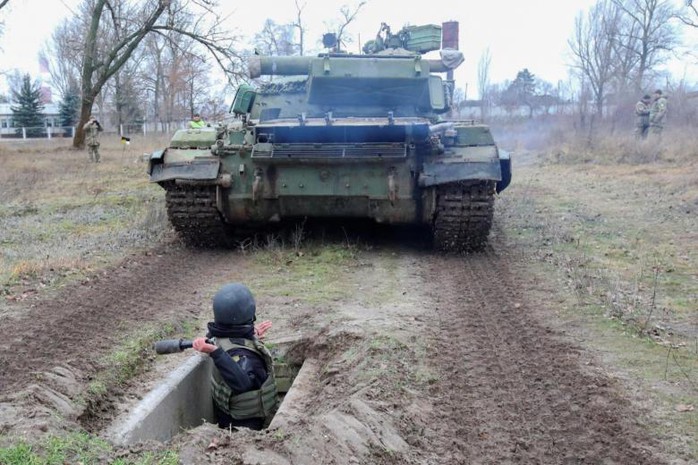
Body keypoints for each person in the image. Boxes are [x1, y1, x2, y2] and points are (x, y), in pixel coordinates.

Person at [192, 283, 278, 430]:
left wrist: (250, 336)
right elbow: (243, 384)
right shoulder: (242, 356)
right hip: (246, 428)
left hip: (228, 418)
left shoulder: (218, 337)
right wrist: (216, 352)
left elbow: (231, 337)